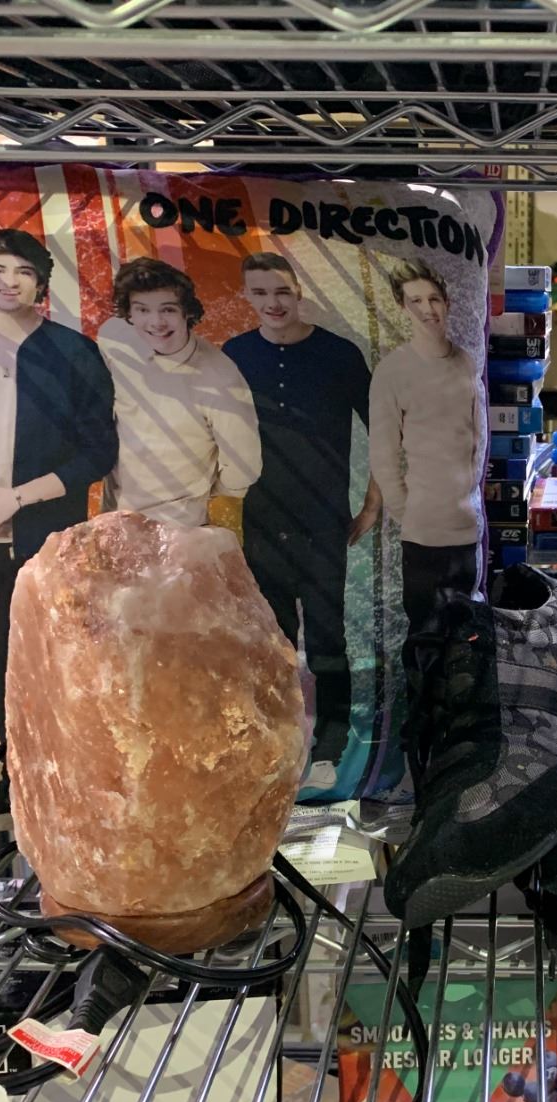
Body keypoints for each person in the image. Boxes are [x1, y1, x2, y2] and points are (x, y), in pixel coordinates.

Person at [0, 228, 117, 815]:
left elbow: (99, 452)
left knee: (56, 668)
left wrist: (15, 499)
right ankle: (19, 786)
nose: (8, 282)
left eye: (22, 271)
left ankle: (70, 792)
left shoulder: (74, 352)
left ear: (41, 282)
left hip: (48, 543)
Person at [223, 251, 378, 791]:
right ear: (247, 296)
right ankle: (280, 744)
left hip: (323, 520)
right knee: (272, 642)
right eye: (261, 293)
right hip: (261, 521)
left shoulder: (338, 354)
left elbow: (383, 429)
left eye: (282, 292)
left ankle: (331, 746)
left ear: (299, 293)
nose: (273, 303)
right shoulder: (235, 354)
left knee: (330, 638)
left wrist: (374, 503)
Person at [368, 259, 485, 634]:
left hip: (466, 529)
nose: (426, 309)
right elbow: (383, 454)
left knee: (467, 633)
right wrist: (410, 512)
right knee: (426, 633)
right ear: (402, 306)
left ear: (446, 302)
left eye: (433, 299)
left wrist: (467, 500)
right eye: (415, 301)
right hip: (423, 534)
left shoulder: (465, 362)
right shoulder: (393, 371)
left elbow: (478, 439)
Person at [99, 256, 261, 526]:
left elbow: (244, 467)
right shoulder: (114, 337)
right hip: (112, 515)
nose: (156, 322)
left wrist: (198, 500)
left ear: (187, 311)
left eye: (168, 310)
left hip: (177, 527)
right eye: (142, 310)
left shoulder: (222, 379)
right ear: (129, 313)